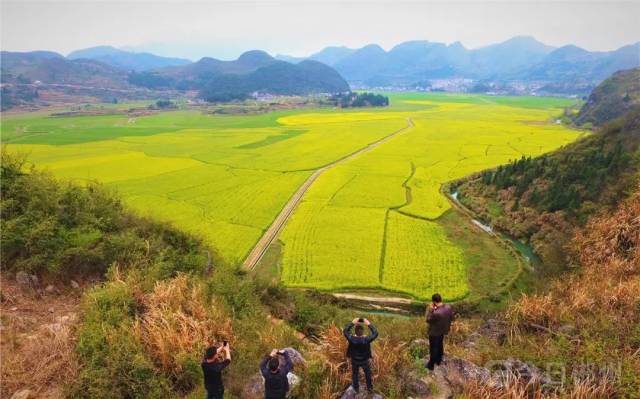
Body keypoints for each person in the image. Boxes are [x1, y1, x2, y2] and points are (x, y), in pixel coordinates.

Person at [343, 317, 379, 393]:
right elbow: (375, 333)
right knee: (368, 374)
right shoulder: (366, 339)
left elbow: (345, 331)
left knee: (355, 374)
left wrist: (352, 323)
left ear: (355, 332)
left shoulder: (351, 338)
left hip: (354, 360)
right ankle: (369, 389)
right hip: (364, 360)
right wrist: (368, 323)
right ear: (362, 332)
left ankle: (356, 389)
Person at [425, 293, 453, 370]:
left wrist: (430, 310)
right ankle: (439, 360)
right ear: (441, 299)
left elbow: (428, 320)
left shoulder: (435, 313)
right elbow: (451, 317)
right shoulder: (448, 307)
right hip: (443, 330)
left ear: (434, 301)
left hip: (434, 332)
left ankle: (431, 365)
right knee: (440, 344)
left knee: (433, 348)